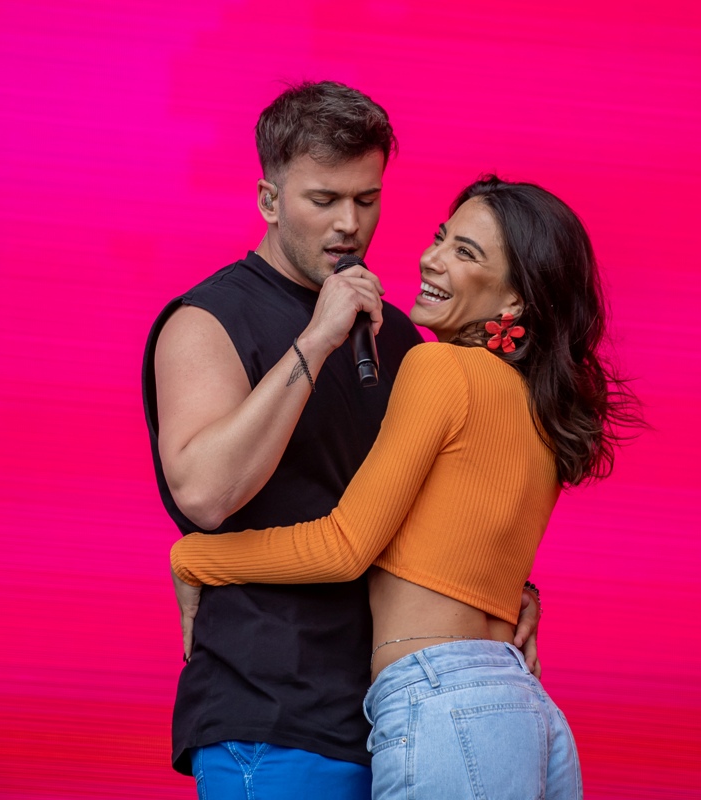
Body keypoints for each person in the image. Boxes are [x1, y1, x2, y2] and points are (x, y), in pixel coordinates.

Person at [170, 176, 639, 799]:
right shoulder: (536, 403)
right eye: (443, 237)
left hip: (445, 702)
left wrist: (193, 557)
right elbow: (456, 546)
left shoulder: (435, 367)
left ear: (515, 304)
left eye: (466, 253)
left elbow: (344, 547)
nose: (431, 258)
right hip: (524, 710)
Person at [141, 83, 542, 799]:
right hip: (271, 714)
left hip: (394, 714)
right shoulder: (208, 320)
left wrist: (504, 592)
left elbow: (419, 502)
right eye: (323, 200)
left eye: (366, 199)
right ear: (269, 200)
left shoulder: (395, 330)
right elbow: (203, 493)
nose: (349, 225)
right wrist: (318, 338)